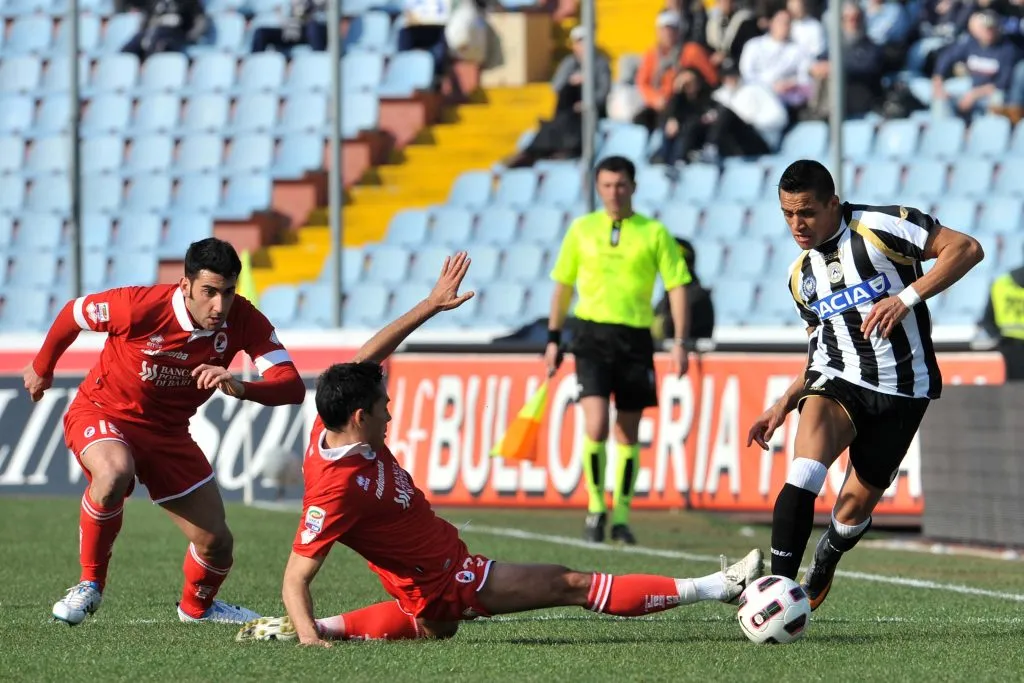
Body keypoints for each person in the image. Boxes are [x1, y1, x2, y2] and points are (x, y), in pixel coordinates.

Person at [235, 251, 764, 645]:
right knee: (570, 583)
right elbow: (295, 575)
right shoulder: (336, 489)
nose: (390, 413)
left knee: (434, 628)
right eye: (384, 407)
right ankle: (717, 585)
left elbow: (364, 357)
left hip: (430, 580)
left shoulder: (331, 425)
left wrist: (428, 305)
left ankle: (325, 627)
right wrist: (309, 641)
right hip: (447, 580)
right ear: (359, 416)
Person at [25, 238, 307, 626]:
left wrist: (243, 387)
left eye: (228, 293)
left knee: (217, 544)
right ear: (185, 285)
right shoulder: (138, 305)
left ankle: (197, 610)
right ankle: (89, 584)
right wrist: (43, 367)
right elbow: (73, 313)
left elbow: (291, 385)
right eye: (209, 292)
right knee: (113, 473)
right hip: (103, 412)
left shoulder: (244, 319)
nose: (219, 306)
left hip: (168, 435)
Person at [746, 160, 984, 610]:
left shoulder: (882, 226)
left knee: (852, 512)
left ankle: (828, 554)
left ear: (832, 203)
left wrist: (906, 298)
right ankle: (776, 595)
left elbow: (967, 248)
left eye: (807, 212)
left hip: (903, 388)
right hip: (837, 380)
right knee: (804, 473)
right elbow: (819, 349)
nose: (797, 224)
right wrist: (782, 403)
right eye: (787, 214)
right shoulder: (801, 278)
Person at [546, 155, 692, 546]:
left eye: (621, 185)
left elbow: (677, 286)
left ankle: (622, 517)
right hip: (591, 336)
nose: (614, 192)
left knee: (628, 432)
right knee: (595, 425)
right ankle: (596, 508)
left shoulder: (654, 232)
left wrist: (679, 341)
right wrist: (553, 337)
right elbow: (563, 285)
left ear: (633, 186)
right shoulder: (581, 230)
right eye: (607, 185)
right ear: (597, 187)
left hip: (635, 340)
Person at [980, 257, 1024, 380]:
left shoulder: (1000, 284)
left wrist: (998, 338)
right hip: (1009, 346)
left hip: (1008, 347)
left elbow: (987, 320)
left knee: (1014, 392)